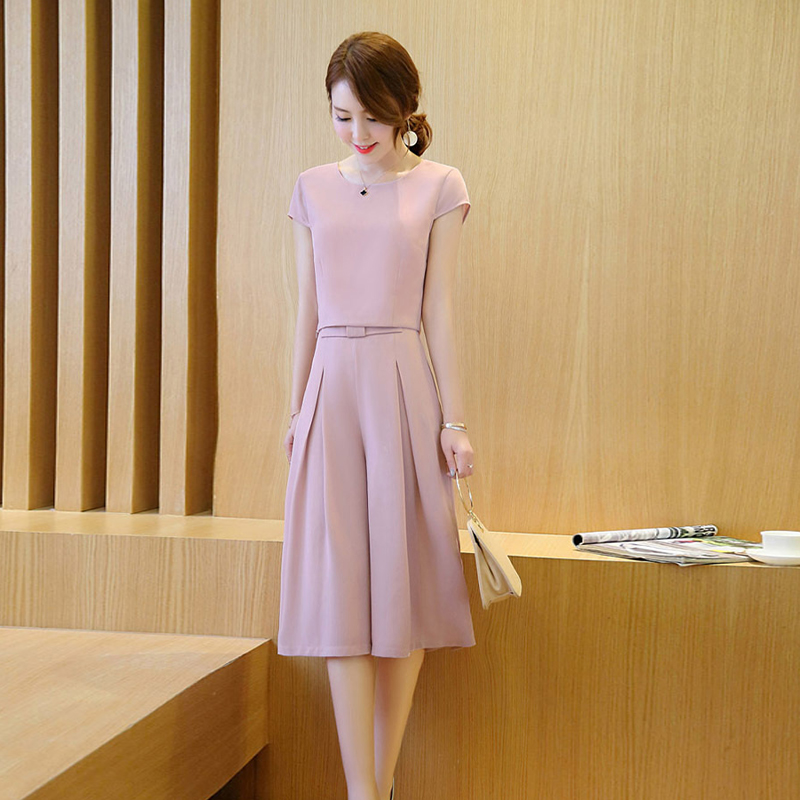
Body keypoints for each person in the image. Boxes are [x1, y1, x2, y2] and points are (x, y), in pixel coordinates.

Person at [279, 31, 476, 800]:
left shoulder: (441, 186)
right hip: (331, 389)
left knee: (401, 597)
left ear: (404, 110)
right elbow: (307, 309)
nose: (358, 133)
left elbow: (439, 311)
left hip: (402, 387)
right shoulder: (310, 189)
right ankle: (362, 788)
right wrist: (297, 408)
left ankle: (375, 787)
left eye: (372, 117)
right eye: (342, 117)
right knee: (341, 596)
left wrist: (455, 422)